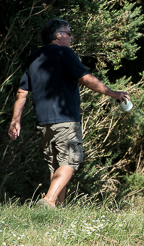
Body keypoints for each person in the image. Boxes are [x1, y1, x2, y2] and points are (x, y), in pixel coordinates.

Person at [8, 18, 130, 208]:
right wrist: (113, 93)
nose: (71, 36)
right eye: (68, 32)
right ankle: (48, 201)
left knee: (56, 166)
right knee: (71, 160)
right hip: (65, 119)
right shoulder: (65, 52)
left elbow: (22, 92)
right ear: (58, 35)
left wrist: (15, 120)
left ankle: (57, 208)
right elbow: (86, 78)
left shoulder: (34, 57)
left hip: (43, 123)